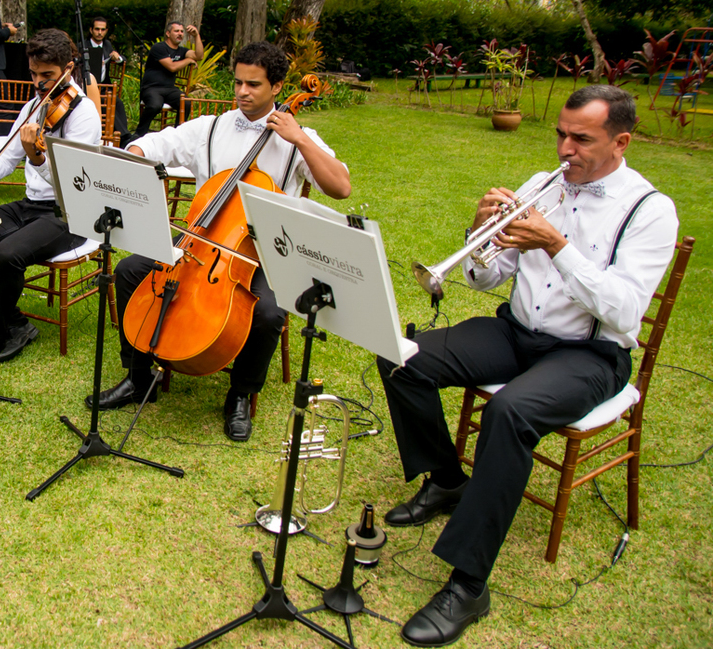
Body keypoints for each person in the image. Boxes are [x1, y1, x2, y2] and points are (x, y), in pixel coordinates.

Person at [376, 85, 678, 647]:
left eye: (581, 139)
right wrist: (479, 234)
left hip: (590, 352)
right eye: (561, 134)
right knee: (400, 356)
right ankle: (448, 482)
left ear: (621, 142)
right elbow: (486, 277)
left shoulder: (649, 211)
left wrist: (558, 246)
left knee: (510, 413)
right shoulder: (545, 183)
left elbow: (623, 311)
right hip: (516, 331)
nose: (565, 149)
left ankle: (469, 585)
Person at [91, 42, 351, 441]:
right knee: (129, 270)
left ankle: (241, 394)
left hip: (263, 252)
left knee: (269, 311)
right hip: (200, 241)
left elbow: (340, 187)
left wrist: (300, 139)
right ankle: (138, 377)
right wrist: (138, 150)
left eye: (254, 85)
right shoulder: (211, 127)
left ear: (277, 86)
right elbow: (160, 143)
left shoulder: (298, 137)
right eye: (238, 82)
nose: (242, 92)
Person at [0, 29, 102, 367]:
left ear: (68, 69)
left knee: (8, 252)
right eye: (33, 74)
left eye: (47, 75)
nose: (39, 84)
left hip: (69, 214)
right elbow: (4, 160)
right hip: (29, 206)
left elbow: (73, 185)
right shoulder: (34, 106)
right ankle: (15, 323)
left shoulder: (84, 114)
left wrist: (38, 158)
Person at [132, 21, 204, 142]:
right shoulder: (159, 48)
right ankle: (138, 135)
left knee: (186, 103)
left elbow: (199, 56)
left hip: (169, 89)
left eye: (182, 31)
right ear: (168, 33)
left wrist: (196, 36)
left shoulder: (182, 51)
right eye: (176, 31)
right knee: (155, 105)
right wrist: (188, 60)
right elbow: (172, 67)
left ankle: (178, 136)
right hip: (152, 88)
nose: (180, 34)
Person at [86, 16, 128, 140]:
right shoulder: (84, 45)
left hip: (105, 86)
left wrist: (117, 57)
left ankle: (123, 135)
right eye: (97, 29)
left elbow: (123, 60)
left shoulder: (107, 44)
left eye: (103, 30)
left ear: (106, 31)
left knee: (118, 103)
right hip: (89, 86)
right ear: (91, 30)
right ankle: (118, 136)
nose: (100, 32)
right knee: (106, 101)